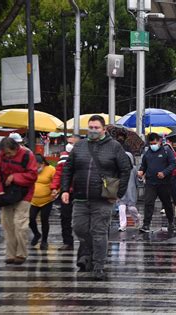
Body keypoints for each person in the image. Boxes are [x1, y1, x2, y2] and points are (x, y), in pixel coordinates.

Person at [61, 115, 131, 280]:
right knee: (79, 229)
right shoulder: (79, 147)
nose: (93, 130)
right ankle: (88, 254)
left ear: (104, 129)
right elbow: (68, 169)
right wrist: (65, 189)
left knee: (99, 232)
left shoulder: (114, 147)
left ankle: (98, 265)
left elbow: (125, 170)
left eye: (96, 128)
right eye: (90, 127)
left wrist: (118, 194)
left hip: (103, 199)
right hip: (80, 198)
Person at [0, 138, 37, 264]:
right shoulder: (1, 156)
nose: (7, 156)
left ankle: (21, 253)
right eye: (5, 153)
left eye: (9, 153)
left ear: (16, 148)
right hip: (6, 194)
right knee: (7, 225)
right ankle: (10, 254)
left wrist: (14, 177)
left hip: (24, 194)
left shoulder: (27, 155)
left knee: (20, 225)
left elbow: (33, 175)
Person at [137, 133, 176, 233]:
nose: (153, 145)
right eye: (151, 143)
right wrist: (141, 171)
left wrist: (164, 173)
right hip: (150, 182)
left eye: (154, 143)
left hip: (164, 183)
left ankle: (171, 222)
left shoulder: (167, 151)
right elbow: (144, 165)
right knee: (148, 203)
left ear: (159, 141)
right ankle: (146, 224)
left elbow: (173, 164)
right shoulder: (147, 153)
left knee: (167, 203)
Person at [51, 135, 81, 250]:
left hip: (80, 191)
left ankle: (85, 243)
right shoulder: (63, 157)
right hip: (66, 191)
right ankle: (67, 241)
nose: (69, 145)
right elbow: (59, 173)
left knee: (81, 219)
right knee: (65, 217)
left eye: (72, 143)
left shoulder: (83, 155)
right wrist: (54, 187)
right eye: (68, 142)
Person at [29, 154, 56, 250]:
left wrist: (55, 191)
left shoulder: (51, 169)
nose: (36, 167)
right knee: (30, 219)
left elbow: (56, 182)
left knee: (44, 220)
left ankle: (44, 241)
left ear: (43, 163)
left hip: (47, 200)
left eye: (38, 165)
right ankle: (36, 234)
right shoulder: (30, 169)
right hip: (33, 200)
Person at [116, 146, 141, 232]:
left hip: (131, 191)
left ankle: (137, 218)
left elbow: (137, 180)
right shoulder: (118, 169)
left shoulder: (133, 169)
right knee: (121, 208)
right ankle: (122, 225)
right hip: (121, 191)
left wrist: (139, 183)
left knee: (131, 208)